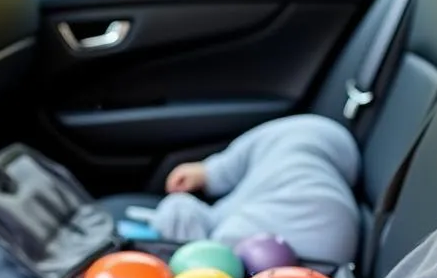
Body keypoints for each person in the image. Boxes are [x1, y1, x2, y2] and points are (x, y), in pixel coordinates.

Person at [141, 114, 361, 266]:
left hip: (251, 241)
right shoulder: (321, 168)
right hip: (335, 248)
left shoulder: (267, 145)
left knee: (180, 210)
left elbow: (233, 161)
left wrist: (208, 171)